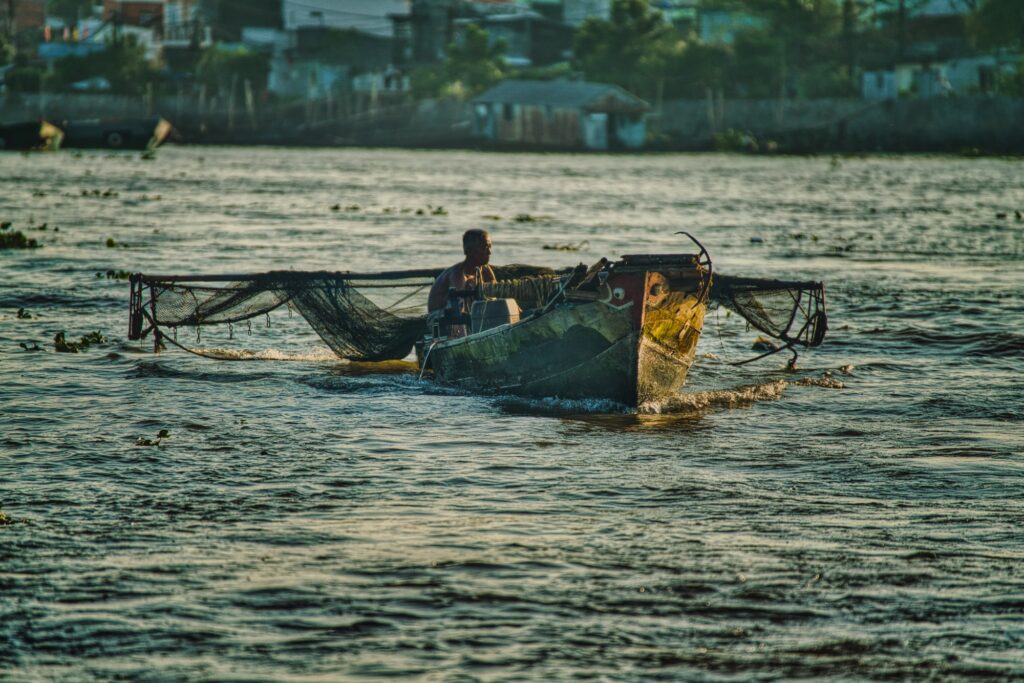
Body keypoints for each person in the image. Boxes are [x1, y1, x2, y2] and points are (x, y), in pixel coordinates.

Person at [427, 229, 497, 313]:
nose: (489, 252)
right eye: (484, 247)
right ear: (470, 251)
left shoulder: (484, 269)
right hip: (441, 318)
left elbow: (495, 291)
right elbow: (458, 308)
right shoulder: (457, 274)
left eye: (490, 247)